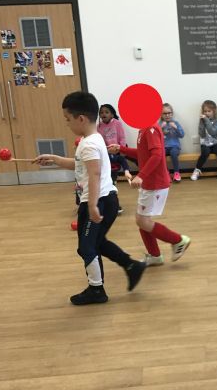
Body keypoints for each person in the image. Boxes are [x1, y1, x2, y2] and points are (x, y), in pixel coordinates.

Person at [34, 91, 147, 305]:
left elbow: (94, 173)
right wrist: (55, 159)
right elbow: (81, 165)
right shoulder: (94, 139)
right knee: (97, 242)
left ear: (81, 119)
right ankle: (131, 266)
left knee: (86, 248)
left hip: (98, 200)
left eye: (67, 119)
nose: (67, 123)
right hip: (107, 198)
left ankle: (96, 290)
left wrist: (93, 205)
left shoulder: (88, 144)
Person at [108, 122, 191, 267]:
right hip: (150, 183)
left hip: (155, 183)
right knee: (142, 219)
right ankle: (155, 255)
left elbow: (157, 155)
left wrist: (141, 175)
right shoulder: (144, 128)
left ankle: (178, 241)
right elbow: (142, 154)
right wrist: (121, 149)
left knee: (142, 220)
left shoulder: (150, 128)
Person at [98, 104, 132, 214]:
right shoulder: (99, 126)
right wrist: (105, 152)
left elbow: (122, 138)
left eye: (106, 112)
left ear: (112, 114)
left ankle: (114, 206)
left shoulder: (117, 124)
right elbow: (100, 142)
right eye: (101, 112)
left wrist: (120, 150)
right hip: (106, 155)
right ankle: (109, 205)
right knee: (107, 183)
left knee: (112, 183)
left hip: (117, 153)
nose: (103, 114)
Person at [190, 100, 217, 181]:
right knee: (205, 152)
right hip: (205, 143)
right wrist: (202, 122)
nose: (207, 113)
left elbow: (212, 132)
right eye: (205, 111)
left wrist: (206, 120)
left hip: (216, 143)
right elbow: (202, 134)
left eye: (209, 111)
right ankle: (197, 170)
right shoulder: (202, 120)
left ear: (214, 111)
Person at [160, 103, 184, 182]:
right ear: (161, 114)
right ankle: (166, 173)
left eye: (169, 113)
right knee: (159, 154)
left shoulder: (176, 123)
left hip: (175, 146)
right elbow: (155, 137)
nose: (167, 115)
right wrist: (160, 128)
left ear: (172, 113)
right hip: (164, 147)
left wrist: (176, 128)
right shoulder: (159, 124)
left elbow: (182, 135)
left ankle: (176, 173)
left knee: (173, 153)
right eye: (164, 113)